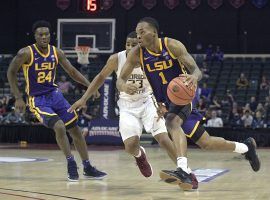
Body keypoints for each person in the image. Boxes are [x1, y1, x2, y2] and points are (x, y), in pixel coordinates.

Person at [117, 17, 260, 190]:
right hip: (167, 102)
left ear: (154, 32)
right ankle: (246, 147)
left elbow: (196, 70)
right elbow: (120, 79)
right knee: (206, 143)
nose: (138, 36)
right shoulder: (137, 54)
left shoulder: (172, 45)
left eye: (142, 32)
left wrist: (193, 77)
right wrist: (124, 86)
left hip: (184, 95)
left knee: (171, 122)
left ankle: (183, 169)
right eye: (137, 32)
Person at [68, 32, 178, 180]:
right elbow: (100, 77)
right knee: (131, 146)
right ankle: (140, 156)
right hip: (127, 106)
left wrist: (163, 103)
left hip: (147, 102)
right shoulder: (116, 59)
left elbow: (162, 82)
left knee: (163, 138)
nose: (130, 47)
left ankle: (184, 170)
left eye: (134, 44)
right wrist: (84, 98)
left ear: (141, 44)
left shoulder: (151, 58)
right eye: (128, 44)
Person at [7, 20, 106, 182]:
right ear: (35, 36)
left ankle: (87, 167)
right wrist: (18, 97)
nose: (44, 37)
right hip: (38, 99)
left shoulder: (56, 52)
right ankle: (70, 163)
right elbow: (11, 72)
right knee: (59, 126)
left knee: (76, 131)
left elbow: (72, 72)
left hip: (55, 96)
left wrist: (90, 87)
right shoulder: (25, 53)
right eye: (40, 34)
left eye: (46, 34)